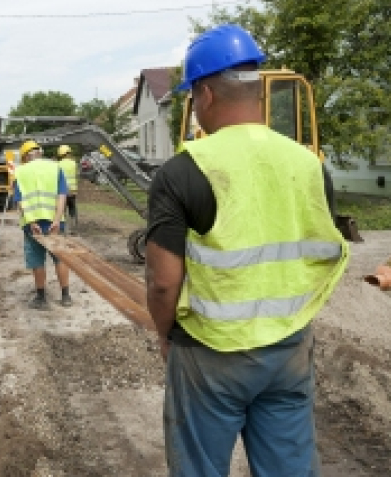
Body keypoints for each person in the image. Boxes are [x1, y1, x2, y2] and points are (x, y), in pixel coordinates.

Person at [144, 23, 348, 477]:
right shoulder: (309, 165)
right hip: (289, 346)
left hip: (210, 354)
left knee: (199, 467)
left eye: (193, 99)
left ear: (206, 95)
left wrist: (164, 333)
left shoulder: (184, 171)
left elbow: (162, 282)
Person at [14, 140, 72, 309]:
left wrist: (32, 221)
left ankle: (41, 298)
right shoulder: (55, 167)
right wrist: (57, 219)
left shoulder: (21, 171)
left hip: (32, 226)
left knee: (37, 260)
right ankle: (66, 296)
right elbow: (62, 196)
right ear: (39, 152)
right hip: (54, 223)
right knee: (60, 257)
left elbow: (21, 201)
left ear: (25, 156)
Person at [56, 144, 78, 233]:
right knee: (72, 209)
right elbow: (76, 176)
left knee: (62, 209)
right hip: (73, 191)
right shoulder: (74, 163)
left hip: (63, 191)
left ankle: (63, 229)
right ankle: (73, 228)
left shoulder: (58, 164)